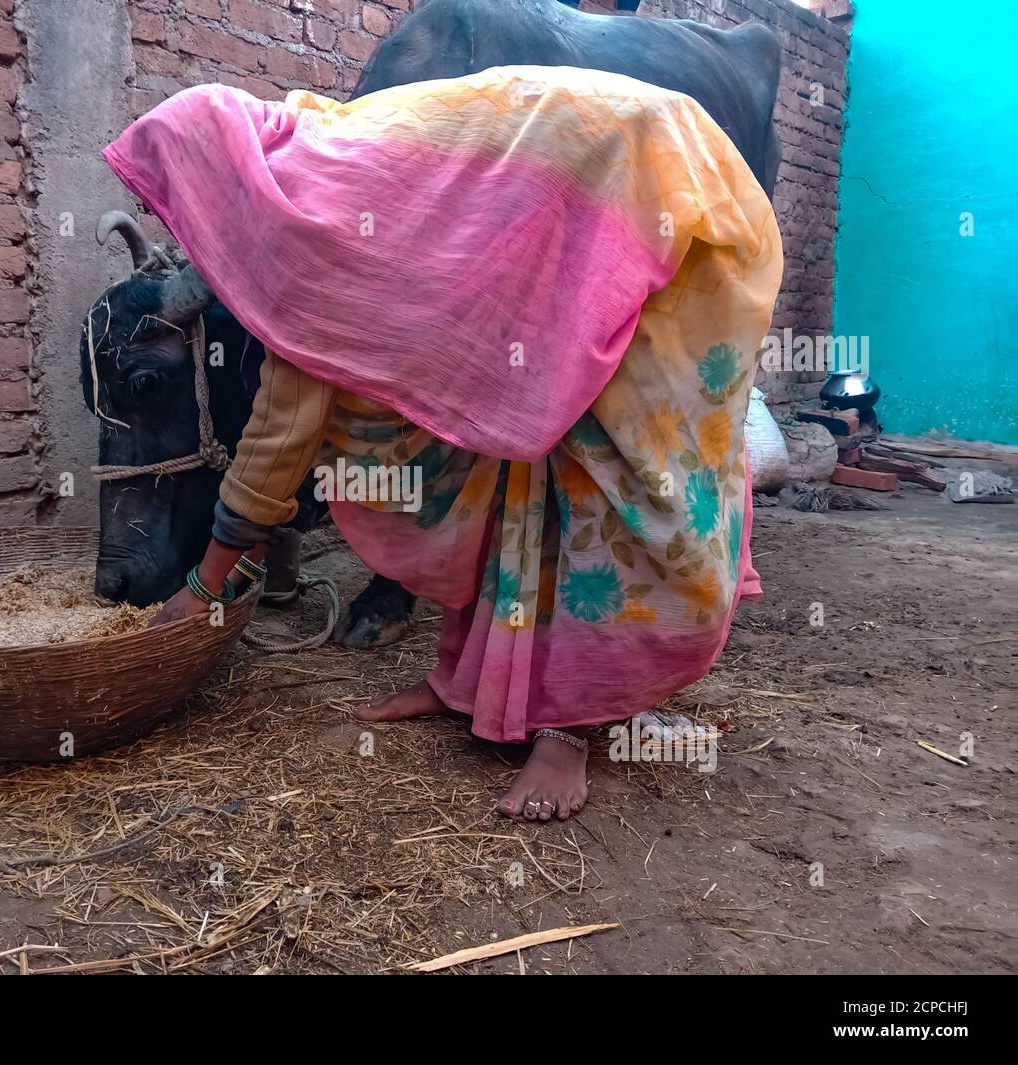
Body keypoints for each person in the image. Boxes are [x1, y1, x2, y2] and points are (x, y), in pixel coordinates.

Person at [110, 66, 783, 821]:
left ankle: (571, 724)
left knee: (597, 461)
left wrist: (204, 586)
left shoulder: (302, 210)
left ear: (211, 181)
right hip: (599, 188)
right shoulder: (301, 143)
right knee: (501, 455)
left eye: (170, 198)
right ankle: (470, 679)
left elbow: (283, 422)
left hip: (668, 203)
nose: (175, 223)